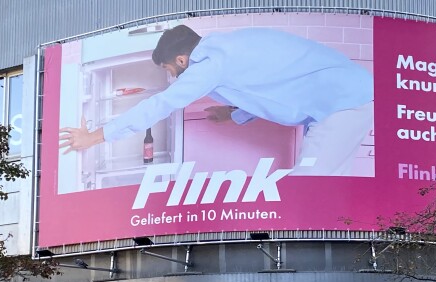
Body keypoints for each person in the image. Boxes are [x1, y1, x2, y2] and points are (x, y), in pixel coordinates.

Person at [59, 24, 374, 176]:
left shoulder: (209, 65)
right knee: (332, 188)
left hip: (341, 105)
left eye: (169, 69)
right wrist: (234, 112)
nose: (170, 76)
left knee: (306, 190)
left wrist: (94, 137)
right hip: (345, 98)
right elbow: (270, 81)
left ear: (183, 60)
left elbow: (159, 105)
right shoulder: (228, 46)